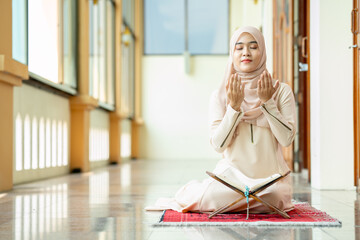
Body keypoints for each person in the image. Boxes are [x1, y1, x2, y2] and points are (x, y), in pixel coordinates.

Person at [145, 26, 296, 214]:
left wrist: (268, 102)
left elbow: (287, 140)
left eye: (253, 46)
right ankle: (199, 192)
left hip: (271, 179)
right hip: (232, 179)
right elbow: (218, 145)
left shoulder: (280, 91)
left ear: (263, 51)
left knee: (273, 197)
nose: (245, 53)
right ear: (232, 53)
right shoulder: (220, 96)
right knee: (210, 197)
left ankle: (240, 201)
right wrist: (233, 107)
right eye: (239, 47)